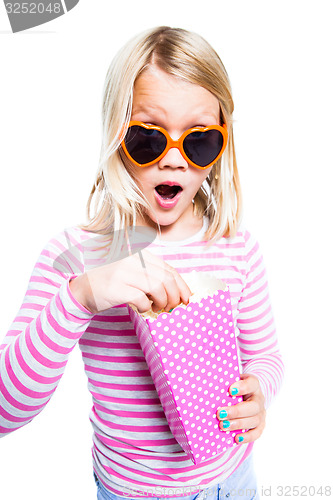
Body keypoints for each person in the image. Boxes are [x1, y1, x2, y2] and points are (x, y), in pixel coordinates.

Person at [0, 26, 284, 500]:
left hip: (235, 478)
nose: (173, 161)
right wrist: (82, 296)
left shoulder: (236, 248)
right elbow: (5, 411)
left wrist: (259, 390)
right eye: (148, 138)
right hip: (135, 492)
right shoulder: (75, 257)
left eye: (197, 141)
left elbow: (266, 356)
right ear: (115, 134)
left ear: (221, 146)